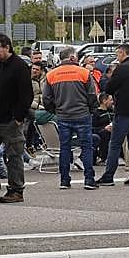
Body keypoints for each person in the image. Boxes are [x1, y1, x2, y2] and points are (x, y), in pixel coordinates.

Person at [0, 34, 33, 204]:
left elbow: (27, 95)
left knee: (13, 156)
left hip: (11, 121)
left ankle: (16, 190)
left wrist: (18, 117)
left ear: (7, 47)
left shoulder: (19, 66)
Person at [43, 47, 99, 191]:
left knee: (65, 148)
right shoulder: (84, 73)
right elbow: (92, 95)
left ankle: (64, 180)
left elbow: (46, 99)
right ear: (73, 58)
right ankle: (89, 179)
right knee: (86, 147)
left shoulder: (51, 75)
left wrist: (55, 110)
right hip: (82, 115)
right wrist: (91, 110)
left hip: (63, 116)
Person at [96, 43, 129, 187]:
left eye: (117, 54)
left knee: (114, 144)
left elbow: (109, 88)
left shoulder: (122, 69)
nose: (116, 57)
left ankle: (108, 176)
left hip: (125, 111)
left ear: (122, 53)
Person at [91, 93, 114, 167]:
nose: (112, 102)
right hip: (101, 132)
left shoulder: (112, 112)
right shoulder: (96, 113)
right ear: (104, 101)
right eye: (110, 100)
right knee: (105, 133)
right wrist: (104, 128)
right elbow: (93, 127)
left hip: (113, 130)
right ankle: (102, 157)